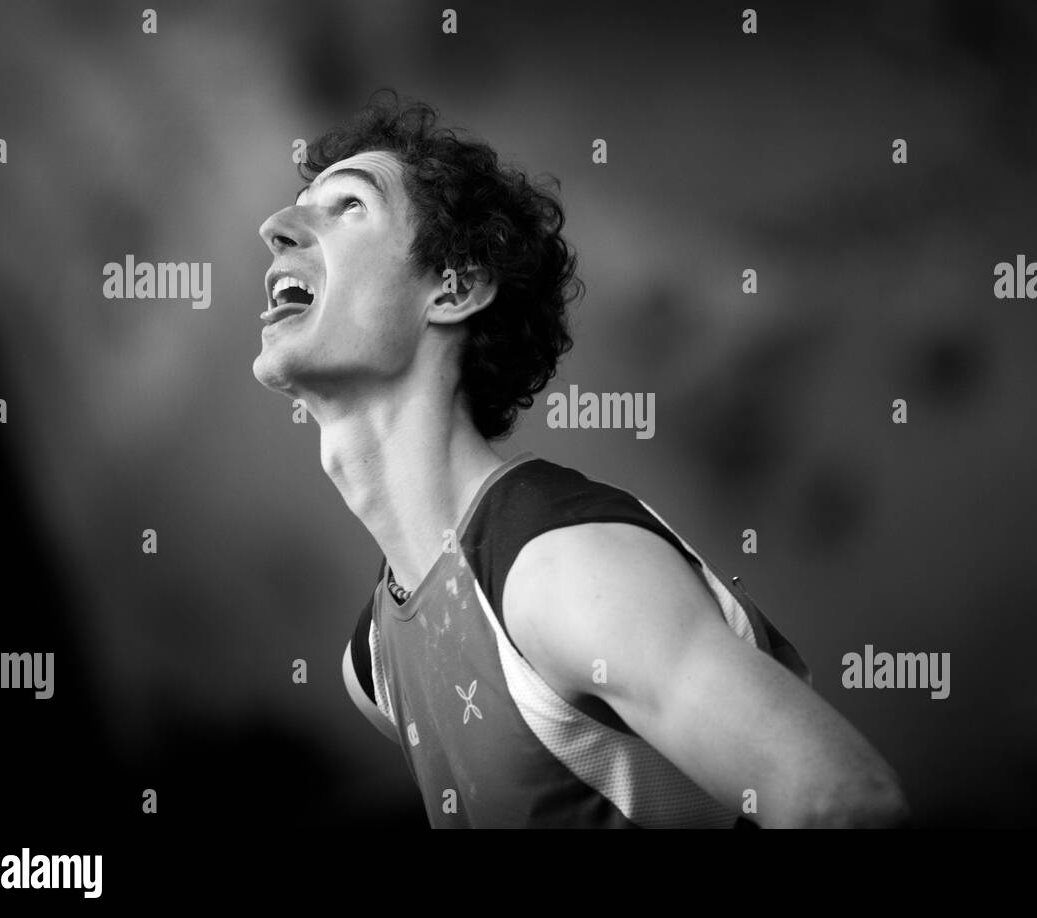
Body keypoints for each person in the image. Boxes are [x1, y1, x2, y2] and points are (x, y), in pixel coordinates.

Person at [253, 89, 908, 828]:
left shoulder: (561, 573)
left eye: (348, 207)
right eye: (301, 206)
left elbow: (848, 805)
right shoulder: (373, 665)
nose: (276, 228)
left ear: (456, 286)